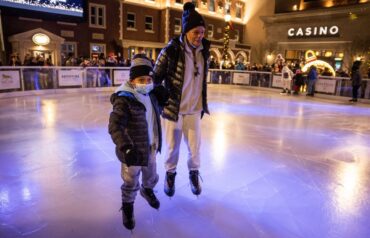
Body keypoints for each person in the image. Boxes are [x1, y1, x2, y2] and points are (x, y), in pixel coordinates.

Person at [153, 2, 210, 197]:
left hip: (194, 109)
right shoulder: (171, 50)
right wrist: (160, 96)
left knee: (195, 149)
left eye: (202, 32)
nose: (199, 36)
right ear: (186, 31)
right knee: (171, 149)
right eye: (196, 32)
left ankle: (194, 174)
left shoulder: (205, 51)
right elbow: (154, 78)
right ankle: (170, 175)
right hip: (173, 110)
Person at [108, 54, 164, 230]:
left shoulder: (152, 94)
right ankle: (128, 206)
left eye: (149, 79)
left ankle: (147, 190)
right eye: (141, 79)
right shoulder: (124, 99)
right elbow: (115, 125)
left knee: (151, 175)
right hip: (132, 151)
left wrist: (164, 99)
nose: (146, 83)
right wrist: (126, 148)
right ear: (132, 80)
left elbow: (155, 115)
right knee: (131, 181)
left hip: (151, 146)